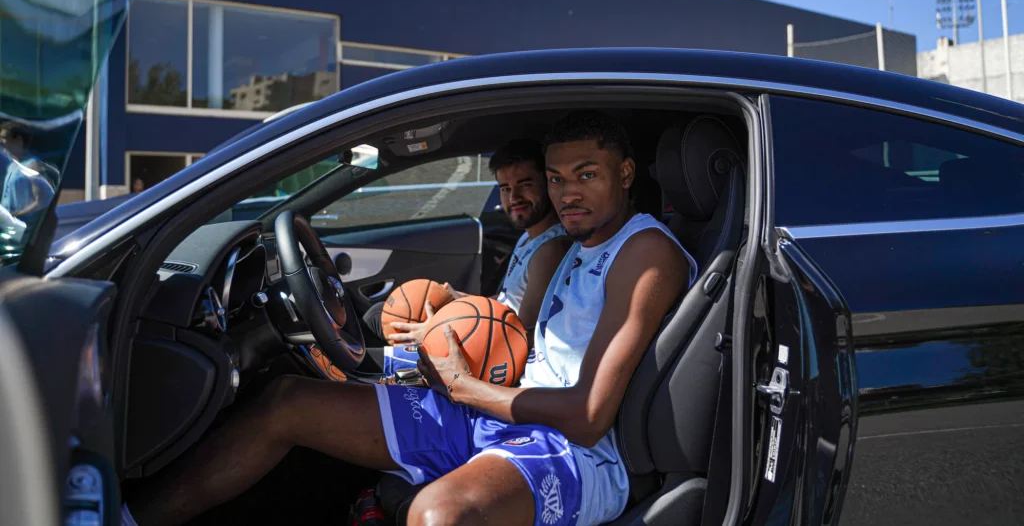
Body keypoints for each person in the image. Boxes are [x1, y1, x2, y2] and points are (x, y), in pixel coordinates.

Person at [125, 110, 697, 526]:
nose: (566, 193)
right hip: (506, 412)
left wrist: (462, 385)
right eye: (556, 178)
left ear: (625, 173)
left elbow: (590, 416)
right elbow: (522, 342)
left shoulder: (645, 251)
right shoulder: (577, 239)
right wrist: (443, 335)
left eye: (587, 174)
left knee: (436, 515)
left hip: (577, 454)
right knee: (287, 402)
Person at [363, 138, 571, 378]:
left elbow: (519, 335)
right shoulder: (529, 238)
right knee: (379, 316)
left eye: (525, 185)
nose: (514, 197)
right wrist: (458, 298)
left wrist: (435, 333)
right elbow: (507, 302)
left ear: (548, 184)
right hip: (485, 337)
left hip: (492, 357)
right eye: (504, 188)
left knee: (369, 354)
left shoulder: (550, 250)